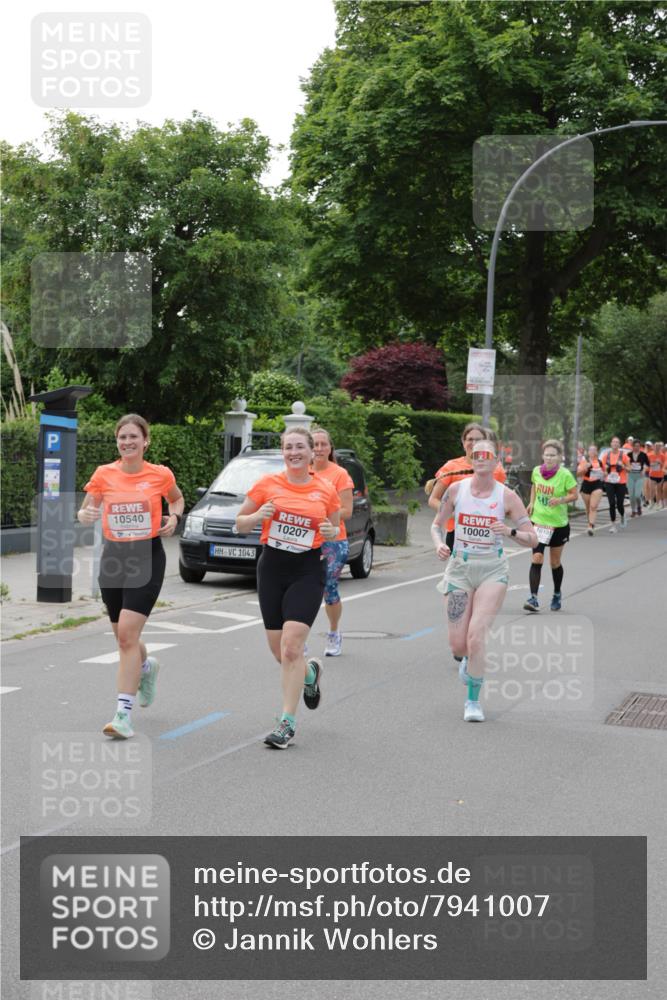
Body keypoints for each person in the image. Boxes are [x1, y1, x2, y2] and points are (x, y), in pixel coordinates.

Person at [78, 414, 184, 739]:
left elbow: (176, 498)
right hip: (113, 558)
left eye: (133, 437)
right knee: (124, 638)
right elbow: (85, 511)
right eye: (122, 437)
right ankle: (146, 667)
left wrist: (174, 517)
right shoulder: (103, 474)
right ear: (117, 442)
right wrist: (85, 514)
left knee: (126, 635)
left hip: (146, 557)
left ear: (145, 441)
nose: (127, 442)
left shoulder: (160, 474)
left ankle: (123, 715)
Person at [235, 427, 341, 749]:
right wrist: (257, 514)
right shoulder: (268, 484)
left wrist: (329, 529)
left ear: (312, 453)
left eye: (299, 447)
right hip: (272, 568)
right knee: (279, 650)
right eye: (288, 447)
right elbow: (240, 523)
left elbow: (336, 529)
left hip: (307, 569)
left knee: (292, 646)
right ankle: (309, 674)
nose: (293, 452)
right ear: (283, 452)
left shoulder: (325, 489)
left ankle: (287, 723)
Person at [431, 440, 537, 723]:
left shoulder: (507, 497)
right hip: (459, 569)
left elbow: (533, 539)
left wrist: (510, 531)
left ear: (495, 461)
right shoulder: (456, 490)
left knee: (476, 636)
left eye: (486, 455)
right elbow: (436, 524)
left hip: (492, 569)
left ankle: (473, 701)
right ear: (471, 459)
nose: (480, 459)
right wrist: (439, 544)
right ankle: (467, 659)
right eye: (475, 455)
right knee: (458, 645)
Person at [428, 422, 506, 554]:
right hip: (457, 532)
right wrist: (452, 514)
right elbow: (433, 499)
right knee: (460, 572)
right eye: (470, 439)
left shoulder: (496, 469)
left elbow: (501, 501)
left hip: (486, 532)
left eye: (478, 439)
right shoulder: (451, 467)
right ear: (463, 443)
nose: (474, 443)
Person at [311, 427, 354, 657]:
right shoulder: (301, 472)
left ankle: (334, 632)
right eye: (315, 444)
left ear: (330, 448)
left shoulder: (339, 474)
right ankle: (300, 636)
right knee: (302, 588)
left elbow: (347, 510)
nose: (318, 449)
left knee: (329, 588)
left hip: (333, 540)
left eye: (323, 444)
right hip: (305, 539)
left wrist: (320, 514)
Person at [524, 440, 578, 613]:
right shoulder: (536, 472)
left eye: (553, 455)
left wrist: (561, 500)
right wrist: (531, 502)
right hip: (539, 521)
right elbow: (534, 486)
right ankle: (533, 598)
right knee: (537, 557)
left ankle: (556, 593)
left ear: (560, 457)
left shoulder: (565, 475)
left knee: (554, 562)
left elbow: (574, 495)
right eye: (546, 454)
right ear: (542, 456)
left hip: (558, 525)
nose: (549, 458)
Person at [600, 436, 631, 532]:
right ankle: (613, 525)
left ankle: (622, 515)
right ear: (611, 444)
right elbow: (602, 470)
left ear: (619, 445)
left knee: (620, 504)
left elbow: (629, 469)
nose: (615, 444)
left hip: (620, 482)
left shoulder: (624, 456)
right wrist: (604, 472)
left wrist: (623, 466)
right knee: (612, 503)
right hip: (609, 482)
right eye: (613, 442)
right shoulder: (606, 456)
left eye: (617, 442)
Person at [577, 444, 605, 534]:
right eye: (591, 450)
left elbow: (605, 473)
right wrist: (585, 468)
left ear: (597, 452)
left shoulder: (600, 462)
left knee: (593, 506)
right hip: (586, 485)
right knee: (588, 507)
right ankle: (590, 522)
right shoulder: (584, 462)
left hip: (597, 485)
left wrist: (604, 474)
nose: (592, 452)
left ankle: (590, 526)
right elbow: (578, 474)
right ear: (588, 452)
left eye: (594, 450)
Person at [626, 439, 650, 517]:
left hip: (639, 475)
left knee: (637, 495)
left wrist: (644, 469)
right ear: (632, 446)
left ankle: (639, 506)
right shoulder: (628, 455)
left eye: (638, 446)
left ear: (640, 447)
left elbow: (648, 464)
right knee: (631, 495)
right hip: (630, 475)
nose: (636, 447)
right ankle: (633, 510)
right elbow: (625, 464)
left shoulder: (643, 455)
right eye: (635, 446)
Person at [646, 441, 665, 507]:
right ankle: (651, 503)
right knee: (652, 489)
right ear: (654, 447)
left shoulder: (662, 455)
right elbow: (646, 464)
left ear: (660, 448)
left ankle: (658, 503)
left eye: (658, 447)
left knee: (658, 490)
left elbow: (664, 465)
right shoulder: (650, 455)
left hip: (660, 475)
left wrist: (661, 463)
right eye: (656, 447)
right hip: (652, 474)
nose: (657, 448)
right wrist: (652, 464)